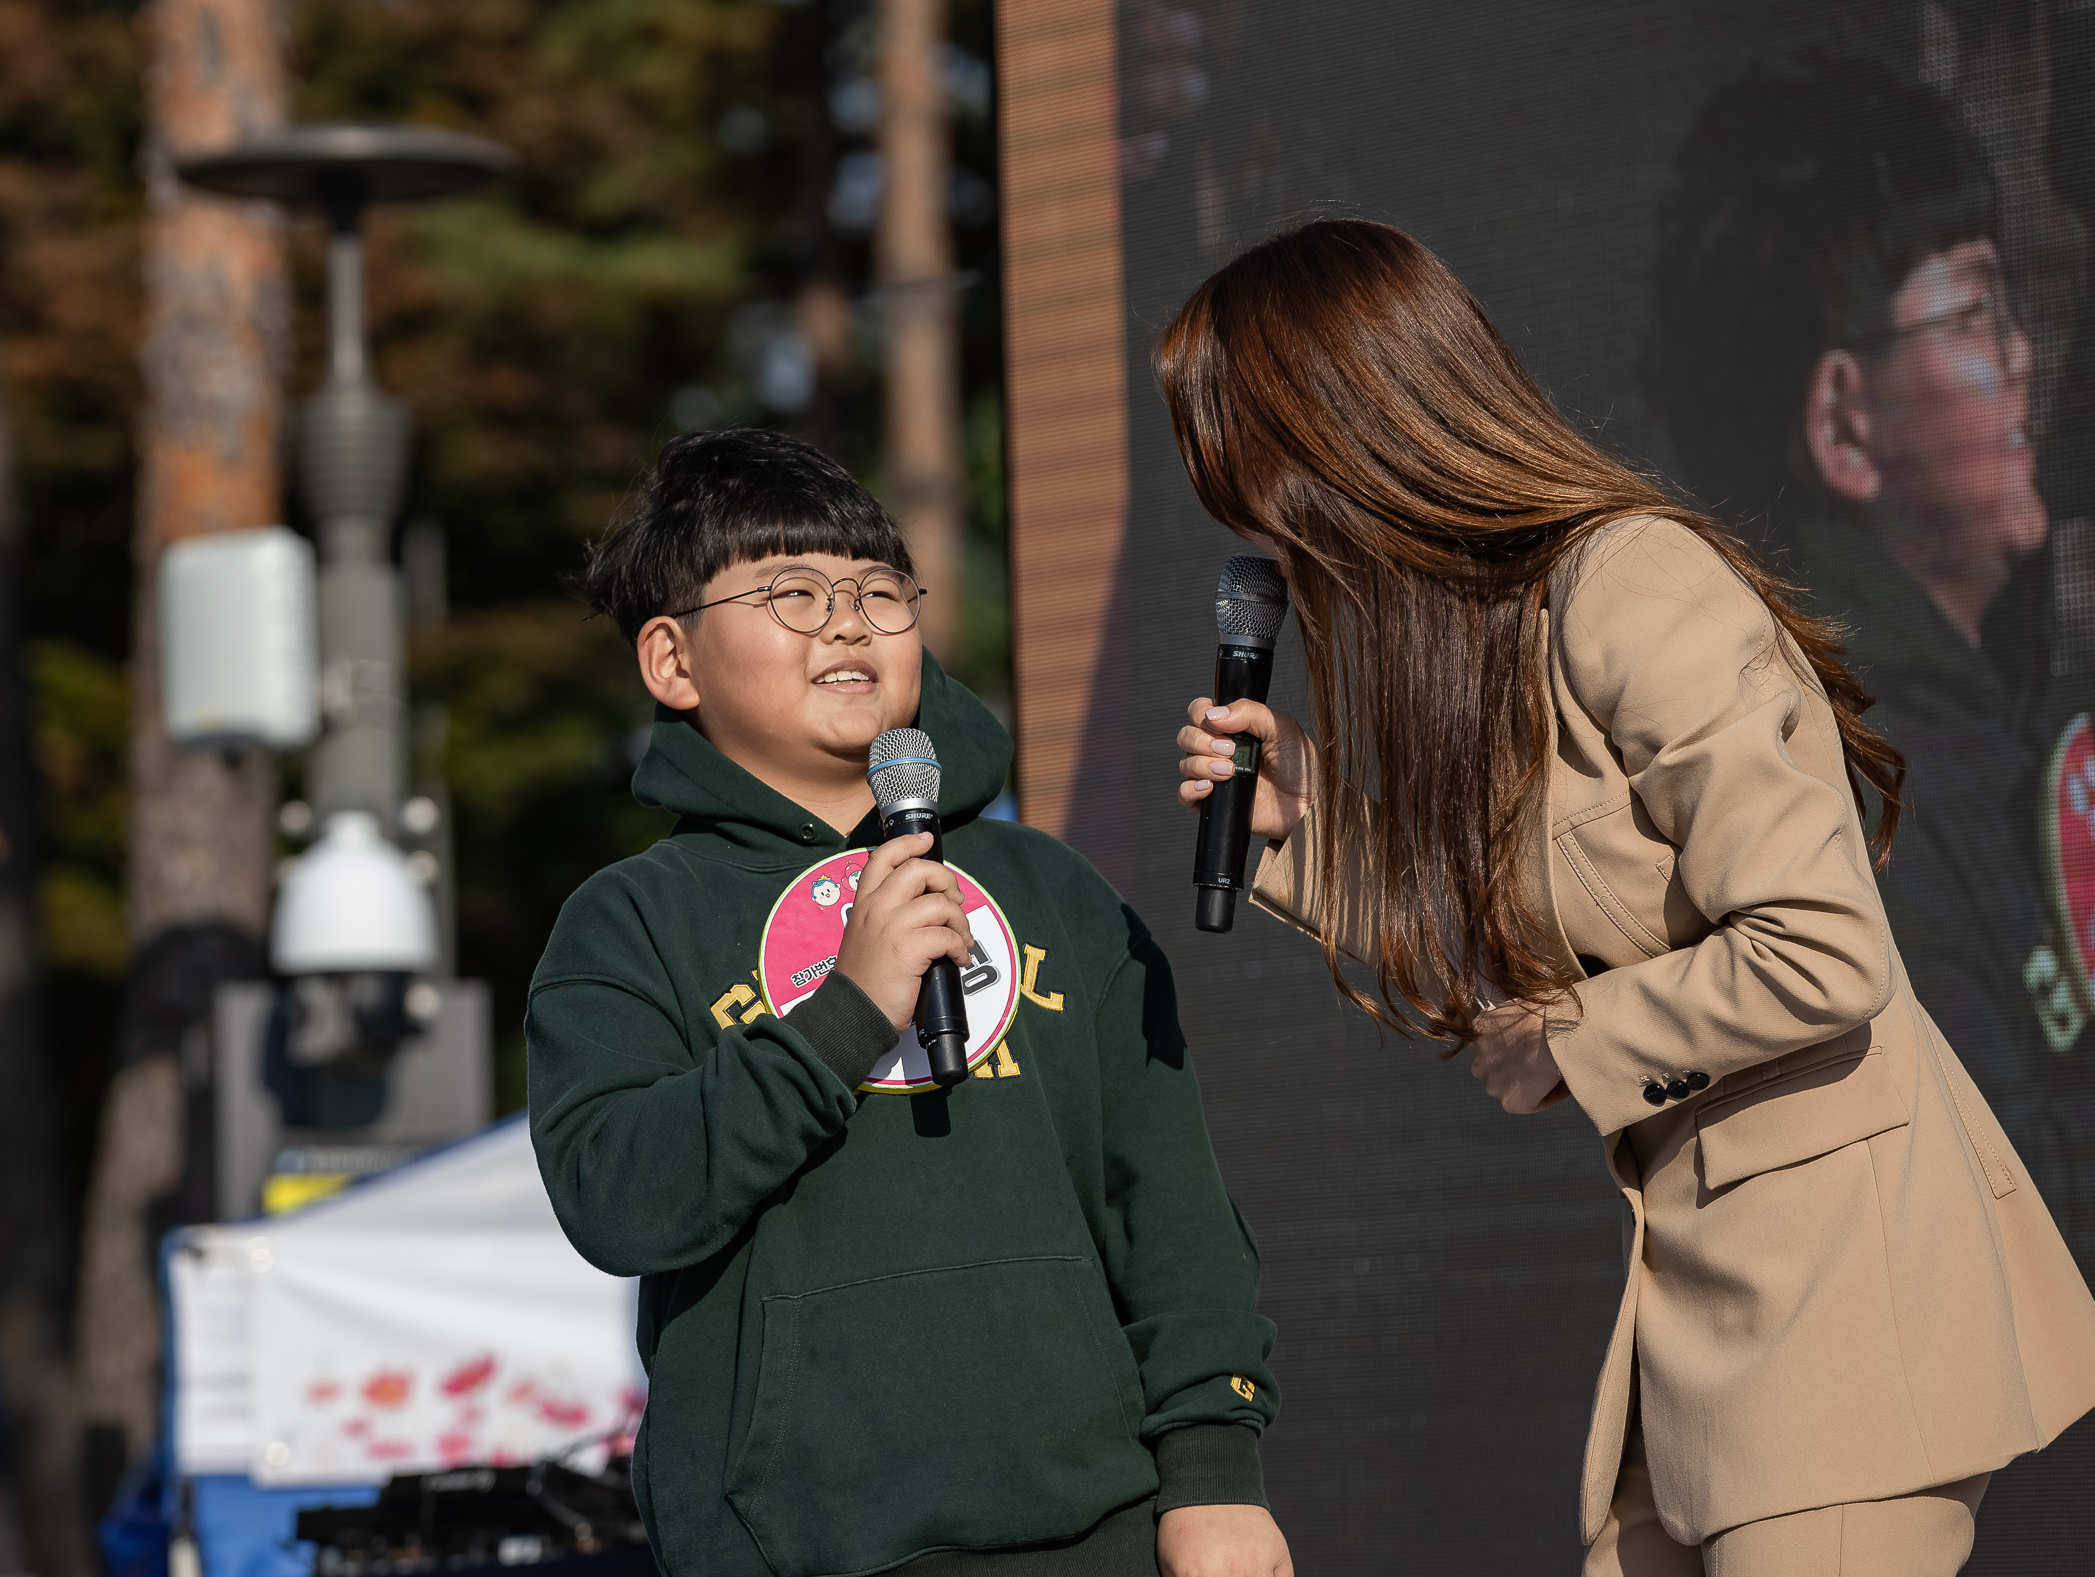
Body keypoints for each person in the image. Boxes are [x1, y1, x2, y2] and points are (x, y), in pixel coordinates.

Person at [1160, 219, 2095, 1575]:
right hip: (1707, 1325)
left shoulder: (1631, 580)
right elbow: (1504, 983)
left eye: (1256, 481)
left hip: (1846, 1321)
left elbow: (1824, 952)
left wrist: (1572, 1042)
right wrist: (1309, 837)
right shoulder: (1497, 644)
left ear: (1356, 433)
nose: (1257, 533)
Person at [527, 430, 1291, 1577]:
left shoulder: (1052, 890)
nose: (847, 621)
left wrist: (1214, 1473)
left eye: (880, 592)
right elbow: (619, 1198)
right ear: (672, 661)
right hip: (795, 1545)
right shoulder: (629, 919)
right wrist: (845, 1010)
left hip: (1095, 1530)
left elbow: (1168, 1201)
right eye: (792, 590)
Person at [1644, 63, 2095, 1261]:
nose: (2022, 357)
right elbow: (1990, 1238)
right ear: (1844, 427)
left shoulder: (1983, 730)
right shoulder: (1837, 798)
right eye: (1974, 314)